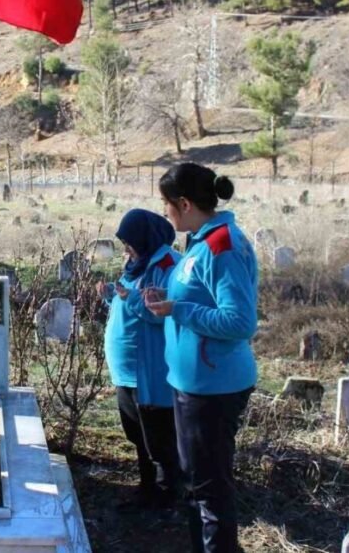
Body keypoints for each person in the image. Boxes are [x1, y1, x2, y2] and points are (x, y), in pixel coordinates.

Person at [144, 163, 258, 553]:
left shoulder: (220, 246)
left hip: (214, 386)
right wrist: (169, 303)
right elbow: (196, 298)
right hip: (191, 382)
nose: (164, 213)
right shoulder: (199, 241)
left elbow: (239, 321)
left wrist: (180, 310)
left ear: (185, 203)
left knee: (209, 489)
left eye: (166, 204)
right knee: (196, 483)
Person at [101, 209, 181, 510]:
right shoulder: (136, 264)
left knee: (158, 440)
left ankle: (165, 498)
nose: (126, 249)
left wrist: (127, 298)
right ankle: (146, 489)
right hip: (125, 371)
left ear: (146, 238)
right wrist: (111, 295)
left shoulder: (168, 266)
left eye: (130, 242)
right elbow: (129, 300)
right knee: (137, 435)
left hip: (149, 370)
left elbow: (160, 312)